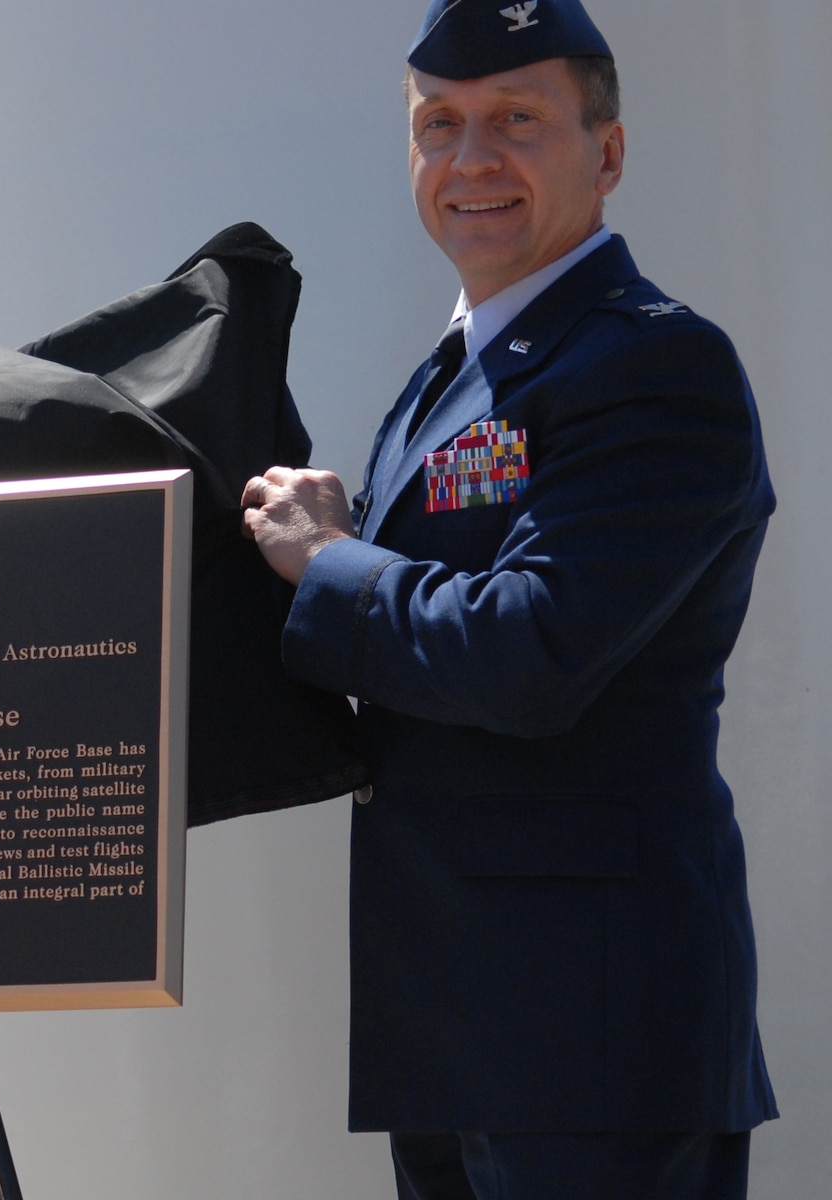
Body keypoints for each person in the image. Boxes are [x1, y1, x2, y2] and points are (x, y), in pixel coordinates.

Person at [240, 2, 778, 1196]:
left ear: (607, 153)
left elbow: (531, 650)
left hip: (591, 1034)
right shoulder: (454, 373)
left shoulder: (652, 363)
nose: (470, 158)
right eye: (438, 124)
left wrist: (325, 562)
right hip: (452, 1015)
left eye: (517, 120)